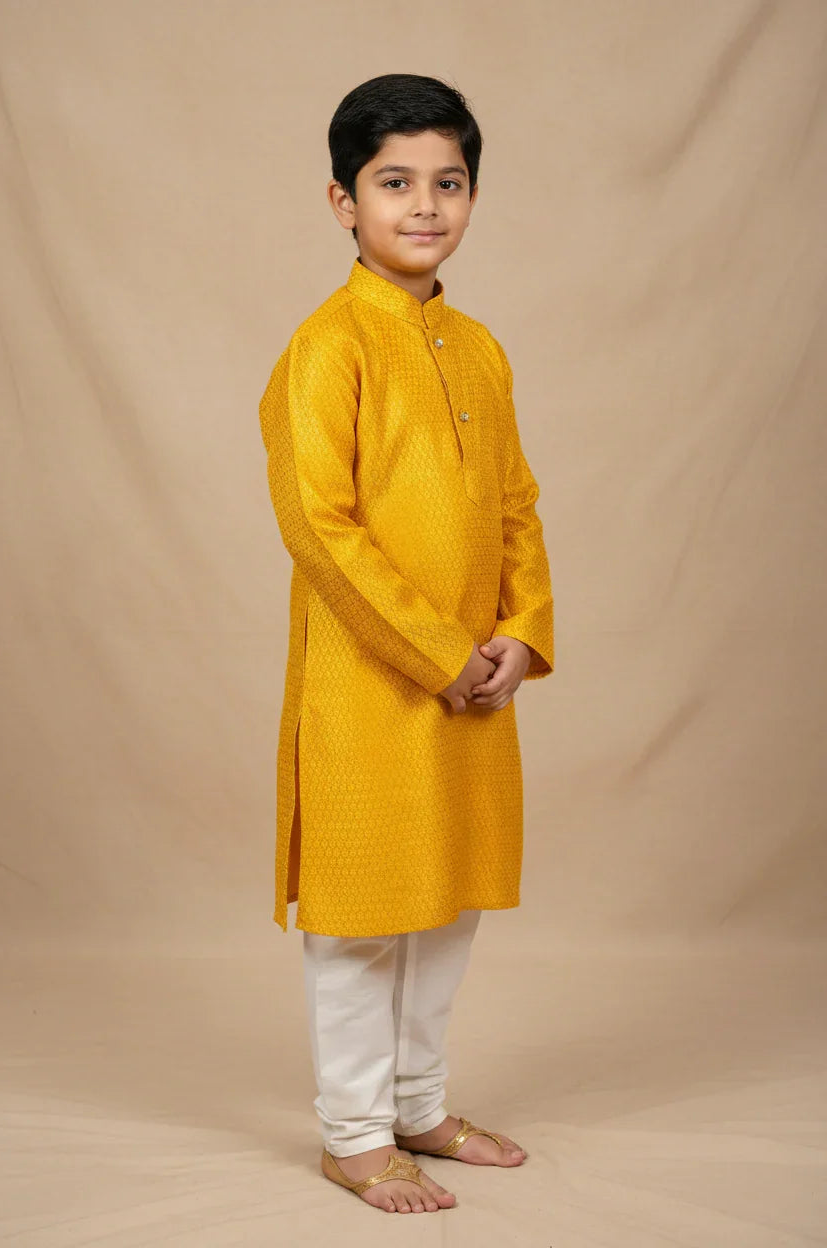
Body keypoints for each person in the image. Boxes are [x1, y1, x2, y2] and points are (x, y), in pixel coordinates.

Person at [258, 73, 554, 1214]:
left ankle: (421, 1106)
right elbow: (320, 534)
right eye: (395, 183)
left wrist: (521, 633)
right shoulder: (326, 348)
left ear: (471, 195)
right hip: (372, 684)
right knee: (364, 918)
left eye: (448, 182)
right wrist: (442, 649)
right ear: (342, 200)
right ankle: (351, 1132)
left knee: (447, 904)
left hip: (476, 684)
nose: (424, 205)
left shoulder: (477, 348)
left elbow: (518, 504)